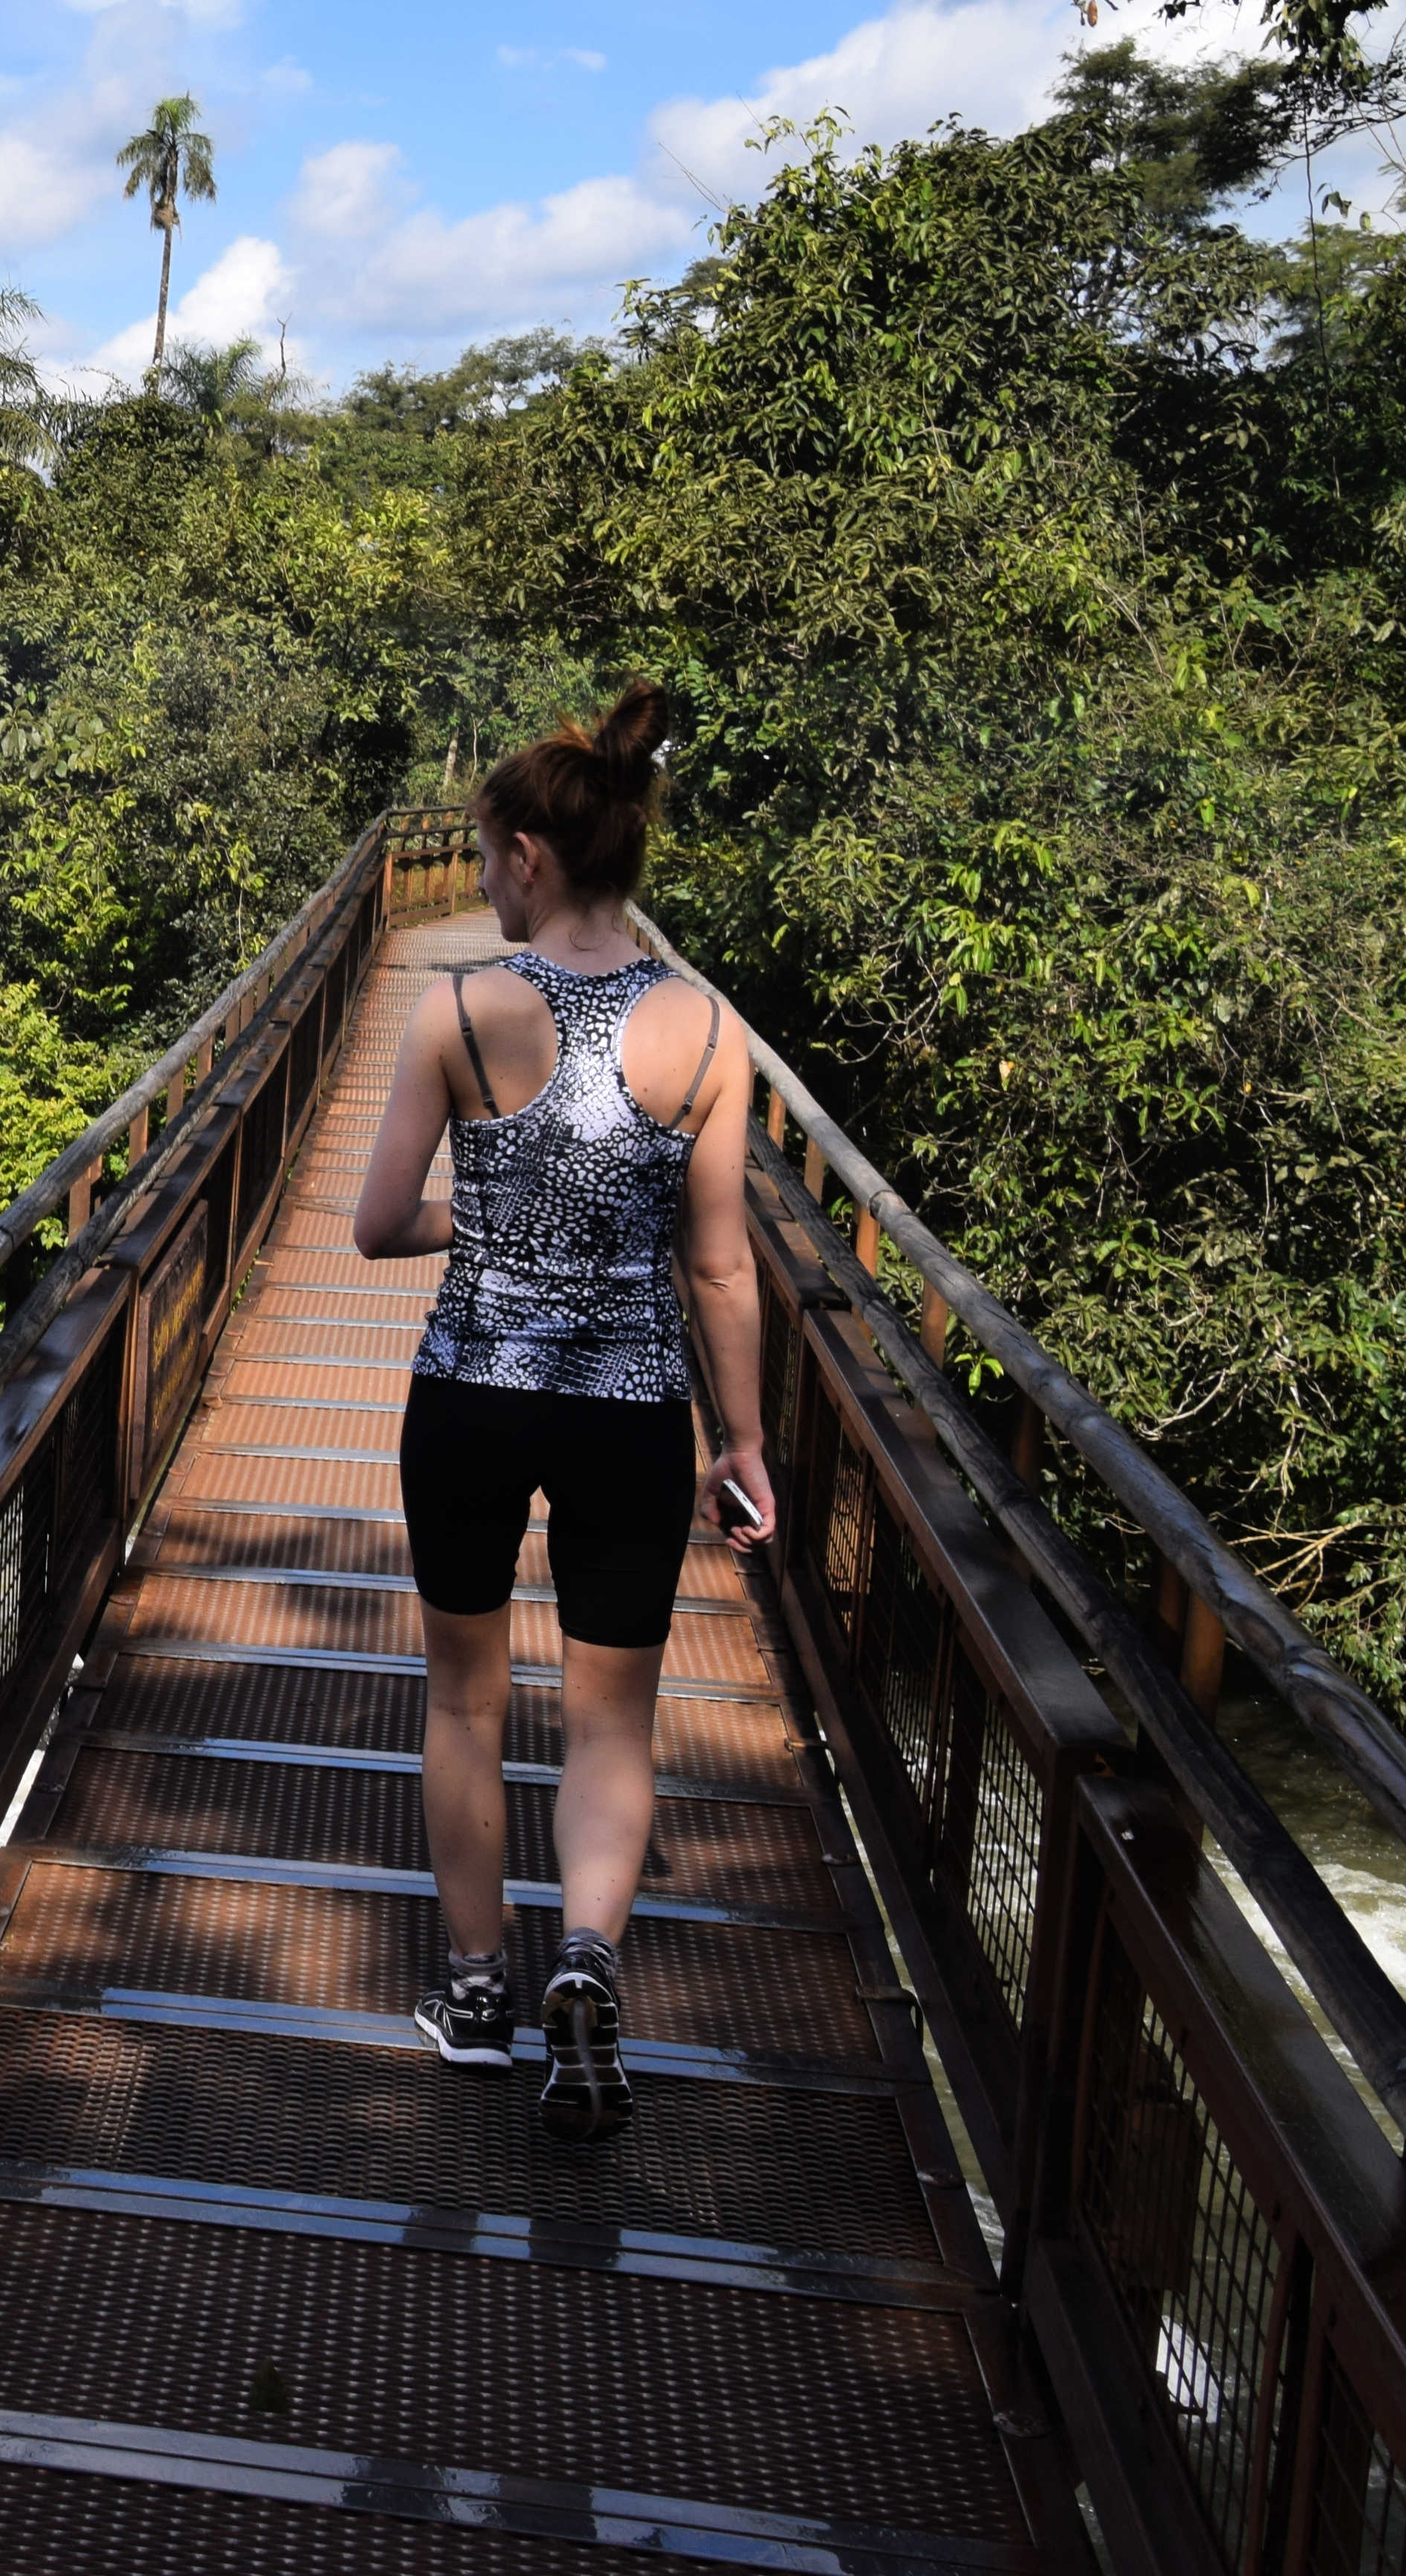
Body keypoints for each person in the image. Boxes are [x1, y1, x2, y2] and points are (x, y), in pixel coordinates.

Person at [350, 681, 775, 2141]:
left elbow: (375, 1222)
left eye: (484, 855)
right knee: (613, 1717)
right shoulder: (710, 1035)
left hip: (470, 1393)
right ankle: (584, 1967)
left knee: (467, 1694)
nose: (475, 879)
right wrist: (747, 1443)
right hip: (630, 1409)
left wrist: (495, 1219)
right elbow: (718, 1263)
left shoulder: (457, 1010)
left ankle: (478, 1992)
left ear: (532, 853)